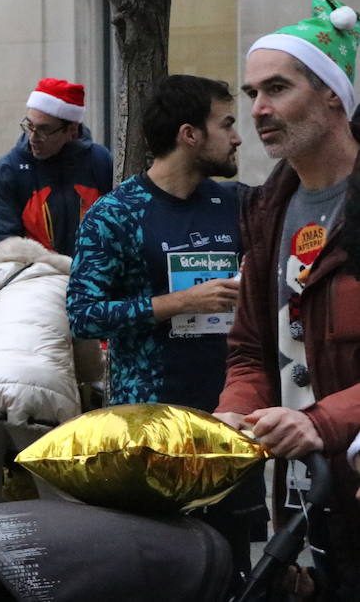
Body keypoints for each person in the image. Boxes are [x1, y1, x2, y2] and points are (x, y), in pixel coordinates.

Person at [67, 73, 260, 573]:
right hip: (150, 428)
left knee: (231, 562)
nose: (238, 136)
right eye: (226, 124)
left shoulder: (238, 204)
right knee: (159, 568)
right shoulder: (116, 213)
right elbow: (83, 314)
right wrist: (175, 303)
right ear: (189, 134)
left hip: (230, 421)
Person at [215, 0, 360, 597]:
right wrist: (234, 415)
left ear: (333, 94)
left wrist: (322, 422)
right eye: (251, 94)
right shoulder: (267, 208)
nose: (259, 109)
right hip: (304, 502)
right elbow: (251, 348)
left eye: (277, 88)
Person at [0, 236, 78, 505]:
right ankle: (55, 547)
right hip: (40, 393)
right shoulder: (64, 284)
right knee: (57, 496)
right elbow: (89, 361)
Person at [0, 77, 113, 255]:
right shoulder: (8, 169)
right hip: (34, 276)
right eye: (29, 126)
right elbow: (5, 242)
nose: (33, 137)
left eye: (44, 129)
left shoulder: (100, 161)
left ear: (71, 130)